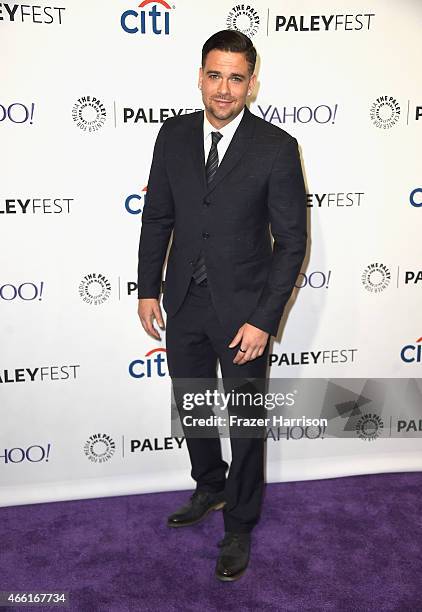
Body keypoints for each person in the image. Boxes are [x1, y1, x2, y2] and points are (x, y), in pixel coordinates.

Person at [137, 29, 307, 582]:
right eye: (215, 75)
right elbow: (158, 216)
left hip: (244, 312)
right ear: (201, 76)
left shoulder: (276, 147)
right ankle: (208, 486)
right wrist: (146, 288)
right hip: (183, 300)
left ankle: (240, 521)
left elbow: (292, 242)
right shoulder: (173, 135)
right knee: (193, 406)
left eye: (237, 77)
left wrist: (264, 319)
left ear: (252, 83)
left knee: (246, 421)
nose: (225, 88)